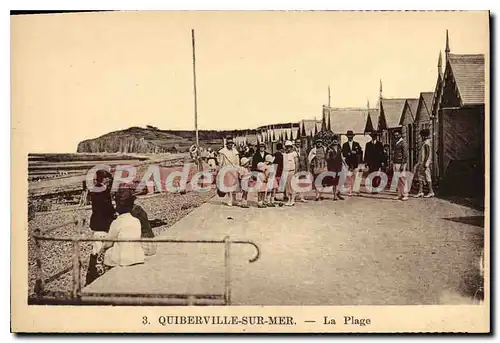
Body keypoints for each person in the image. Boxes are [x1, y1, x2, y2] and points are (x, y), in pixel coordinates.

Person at [87, 186, 145, 285]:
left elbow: (108, 243)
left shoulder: (117, 222)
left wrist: (102, 249)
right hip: (137, 256)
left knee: (102, 252)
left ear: (118, 206)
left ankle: (96, 278)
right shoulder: (136, 221)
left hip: (123, 259)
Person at [85, 170, 116, 286]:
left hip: (97, 222)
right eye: (108, 178)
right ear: (104, 179)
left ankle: (93, 273)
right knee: (99, 248)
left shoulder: (96, 189)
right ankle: (96, 273)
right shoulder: (103, 190)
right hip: (102, 223)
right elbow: (106, 207)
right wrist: (114, 213)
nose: (109, 180)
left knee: (97, 247)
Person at [217, 137, 240, 206]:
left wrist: (238, 169)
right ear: (226, 144)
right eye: (229, 144)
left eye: (231, 144)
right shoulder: (223, 152)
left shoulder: (235, 151)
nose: (230, 145)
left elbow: (237, 161)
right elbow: (221, 162)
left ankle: (234, 199)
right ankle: (230, 200)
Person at [414, 129, 435, 198]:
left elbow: (427, 153)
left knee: (427, 176)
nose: (421, 137)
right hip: (421, 162)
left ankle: (431, 191)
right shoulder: (424, 142)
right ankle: (420, 191)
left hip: (424, 162)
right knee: (420, 176)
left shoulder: (427, 143)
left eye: (422, 136)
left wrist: (425, 163)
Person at [341, 130, 363, 196]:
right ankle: (350, 191)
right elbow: (343, 153)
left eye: (351, 136)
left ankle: (357, 191)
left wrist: (355, 152)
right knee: (349, 178)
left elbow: (360, 152)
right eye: (349, 136)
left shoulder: (356, 144)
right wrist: (348, 153)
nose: (350, 137)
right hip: (348, 164)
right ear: (347, 137)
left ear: (353, 137)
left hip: (355, 163)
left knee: (356, 177)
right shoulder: (345, 145)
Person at [324, 136, 345, 201]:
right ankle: (334, 196)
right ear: (332, 141)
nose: (335, 141)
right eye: (334, 140)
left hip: (339, 166)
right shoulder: (329, 148)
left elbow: (341, 156)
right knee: (334, 181)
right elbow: (326, 158)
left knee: (338, 180)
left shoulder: (339, 147)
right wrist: (328, 152)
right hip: (332, 166)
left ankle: (337, 193)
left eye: (336, 140)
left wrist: (345, 163)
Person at [392, 129, 409, 201]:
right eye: (395, 135)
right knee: (397, 178)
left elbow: (405, 154)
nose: (396, 136)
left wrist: (403, 164)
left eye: (397, 135)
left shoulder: (403, 142)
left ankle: (405, 194)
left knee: (402, 178)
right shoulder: (396, 142)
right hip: (396, 162)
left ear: (400, 135)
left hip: (401, 162)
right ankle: (399, 194)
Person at [283, 140, 299, 206]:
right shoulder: (284, 154)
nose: (288, 148)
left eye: (289, 147)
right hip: (286, 171)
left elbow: (297, 163)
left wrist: (296, 172)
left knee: (292, 186)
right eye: (287, 147)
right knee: (287, 187)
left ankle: (292, 200)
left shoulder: (294, 153)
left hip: (292, 171)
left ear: (291, 147)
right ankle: (289, 199)